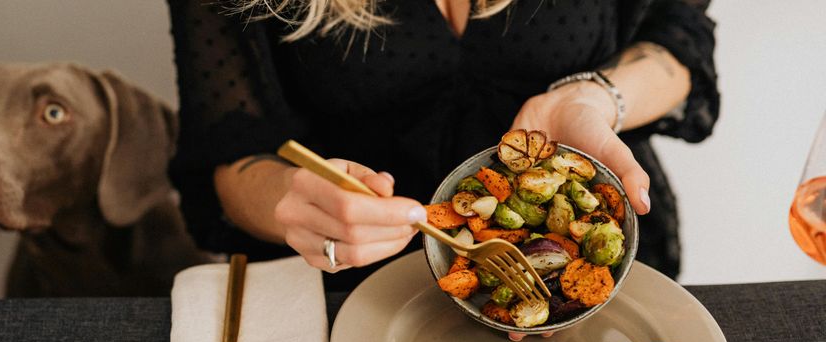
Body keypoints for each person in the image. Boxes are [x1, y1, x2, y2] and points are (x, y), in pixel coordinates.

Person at [167, 0, 718, 292]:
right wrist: (292, 200)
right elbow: (228, 148)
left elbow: (679, 33)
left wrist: (596, 100)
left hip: (593, 258)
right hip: (350, 280)